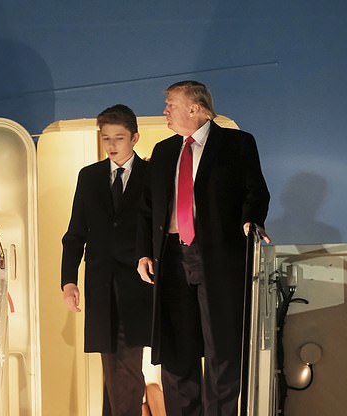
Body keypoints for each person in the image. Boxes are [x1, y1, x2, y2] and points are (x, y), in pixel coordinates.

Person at [136, 80, 271, 415]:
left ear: (194, 107)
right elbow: (147, 208)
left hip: (218, 257)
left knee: (221, 348)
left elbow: (256, 192)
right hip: (171, 258)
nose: (165, 110)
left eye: (170, 103)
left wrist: (250, 221)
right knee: (177, 351)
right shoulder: (165, 151)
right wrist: (143, 252)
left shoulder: (237, 144)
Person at [61, 104, 154, 415]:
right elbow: (75, 232)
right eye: (106, 139)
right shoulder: (89, 177)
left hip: (138, 284)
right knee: (112, 363)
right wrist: (69, 280)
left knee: (127, 364)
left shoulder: (152, 176)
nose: (112, 145)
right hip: (101, 285)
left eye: (119, 138)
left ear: (135, 138)